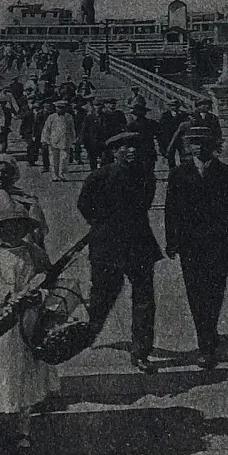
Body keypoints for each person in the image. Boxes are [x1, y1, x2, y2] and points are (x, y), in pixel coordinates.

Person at [61, 130, 162, 372]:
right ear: (114, 152)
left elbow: (145, 204)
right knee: (101, 298)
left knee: (144, 301)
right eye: (123, 147)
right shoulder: (99, 177)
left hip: (139, 245)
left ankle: (141, 352)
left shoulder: (146, 176)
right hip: (107, 247)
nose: (131, 151)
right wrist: (105, 225)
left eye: (134, 146)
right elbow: (84, 205)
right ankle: (84, 338)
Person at [0, 190, 61, 449]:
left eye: (16, 227)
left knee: (23, 374)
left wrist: (37, 295)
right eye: (5, 228)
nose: (11, 232)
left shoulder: (34, 253)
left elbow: (49, 279)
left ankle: (23, 429)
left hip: (26, 322)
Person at [162, 126, 228, 372]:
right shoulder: (178, 174)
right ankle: (206, 346)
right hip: (190, 244)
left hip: (219, 242)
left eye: (202, 142)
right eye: (193, 142)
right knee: (195, 292)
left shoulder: (226, 172)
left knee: (215, 290)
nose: (197, 147)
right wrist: (171, 241)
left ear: (213, 145)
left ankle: (209, 331)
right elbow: (171, 210)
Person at [41, 98, 78, 183]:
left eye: (61, 107)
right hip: (53, 140)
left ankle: (62, 175)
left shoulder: (69, 117)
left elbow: (72, 129)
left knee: (64, 159)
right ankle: (54, 175)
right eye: (58, 107)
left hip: (65, 140)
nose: (59, 109)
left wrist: (73, 141)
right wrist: (44, 140)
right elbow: (46, 129)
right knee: (54, 159)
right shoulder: (51, 117)